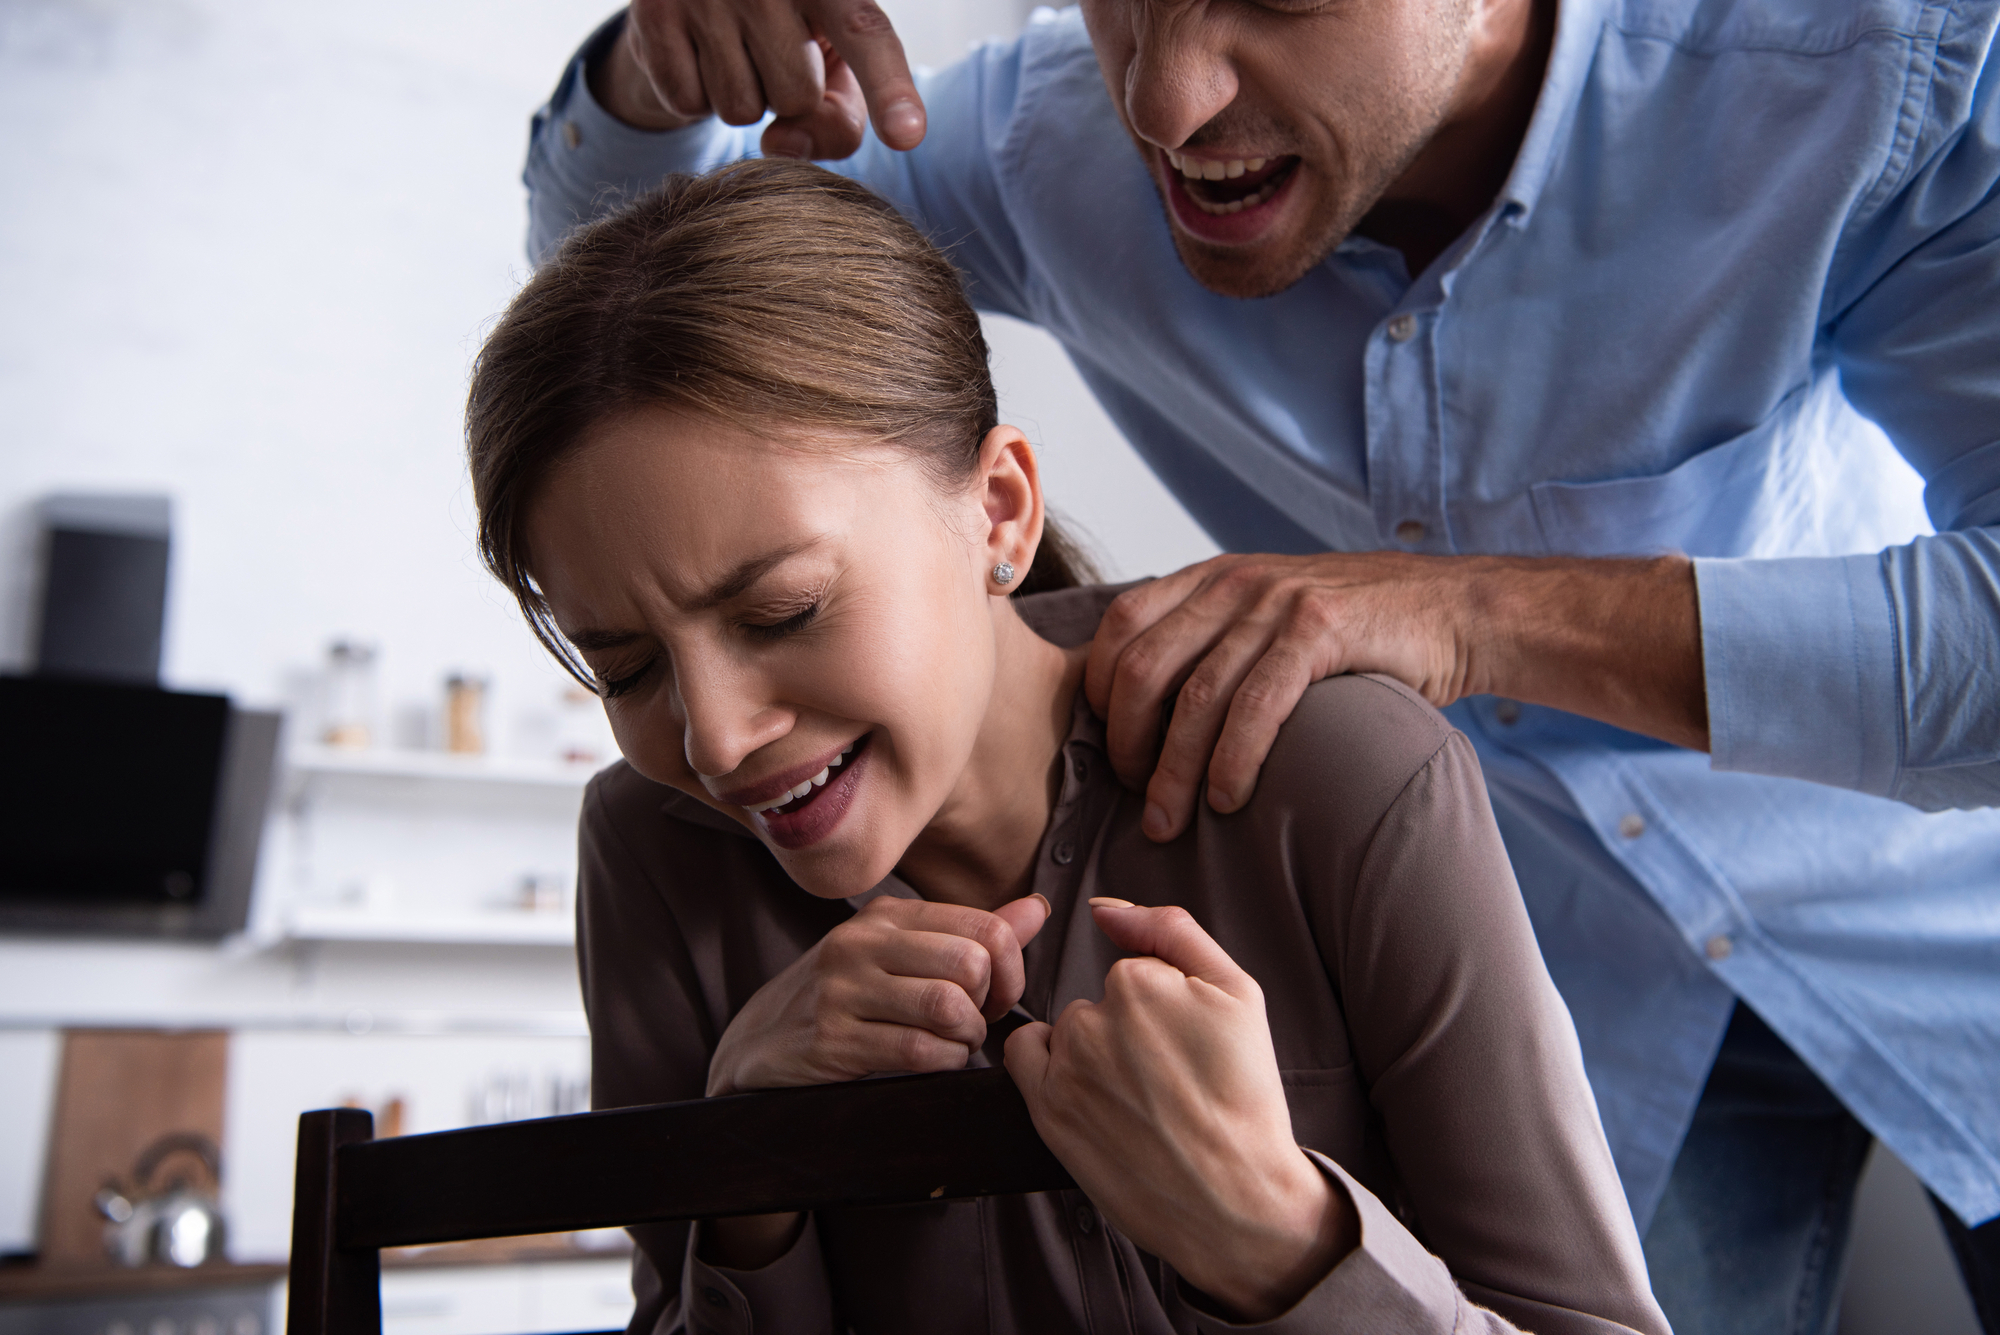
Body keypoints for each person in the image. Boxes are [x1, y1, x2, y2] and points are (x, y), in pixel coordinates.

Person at [517, 1, 2000, 1329]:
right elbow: (649, 309)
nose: (1163, 100)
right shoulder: (1045, 140)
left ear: (1004, 508)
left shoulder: (1875, 69)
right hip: (1592, 994)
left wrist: (1471, 614)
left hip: (1936, 925)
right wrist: (656, 67)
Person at [464, 158, 1669, 1335]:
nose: (717, 740)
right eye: (625, 667)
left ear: (997, 510)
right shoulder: (651, 853)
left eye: (781, 613)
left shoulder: (1341, 775)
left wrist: (1280, 1242)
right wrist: (745, 1169)